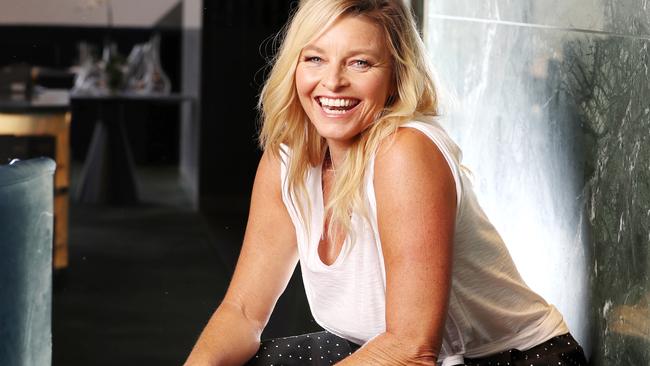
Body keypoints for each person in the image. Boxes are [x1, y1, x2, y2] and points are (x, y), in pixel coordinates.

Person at [184, 0, 589, 365]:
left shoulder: (405, 152)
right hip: (374, 347)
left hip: (513, 359)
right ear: (294, 66)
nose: (333, 82)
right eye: (315, 58)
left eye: (359, 63)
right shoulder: (287, 160)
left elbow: (412, 348)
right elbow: (241, 312)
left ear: (397, 74)